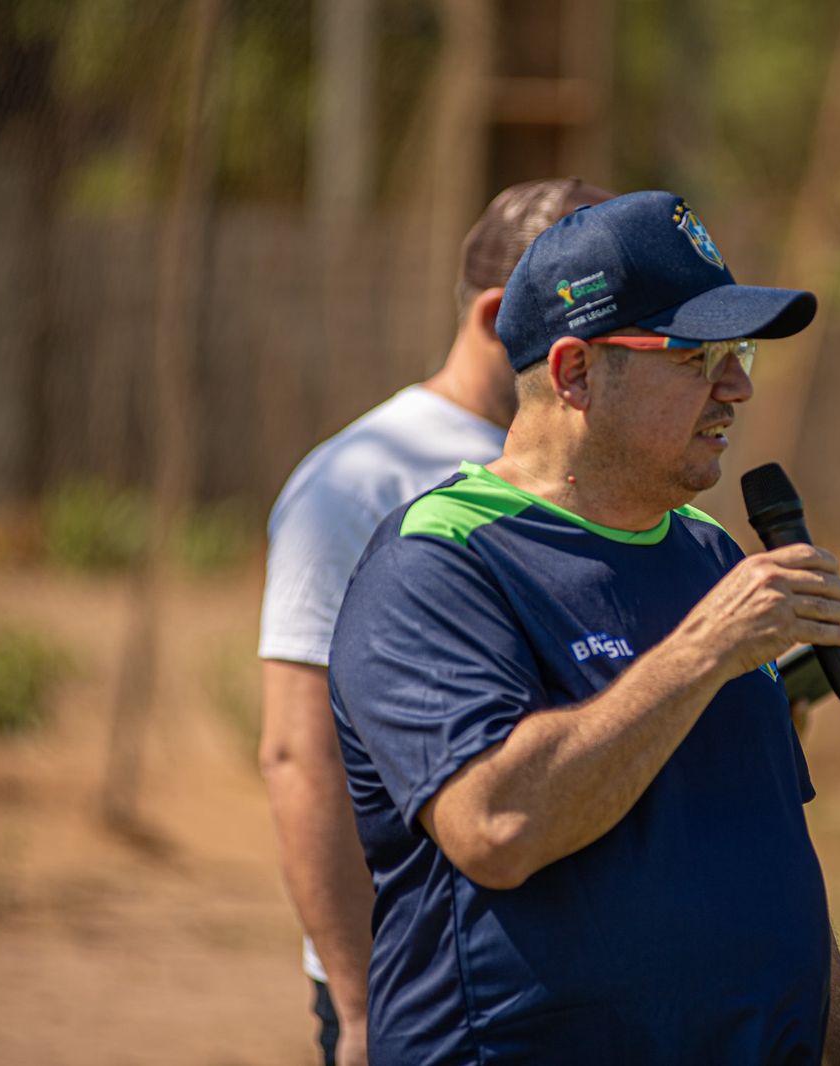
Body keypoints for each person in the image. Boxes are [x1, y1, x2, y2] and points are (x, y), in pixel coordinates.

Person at [329, 190, 840, 1064]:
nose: (737, 387)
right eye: (696, 357)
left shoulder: (709, 554)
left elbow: (773, 866)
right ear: (576, 373)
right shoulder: (438, 560)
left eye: (737, 353)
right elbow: (496, 826)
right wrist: (704, 651)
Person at [258, 178, 613, 1066]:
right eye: (586, 334)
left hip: (571, 969)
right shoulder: (359, 481)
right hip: (417, 982)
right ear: (500, 316)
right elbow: (301, 753)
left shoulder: (590, 474)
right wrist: (357, 1000)